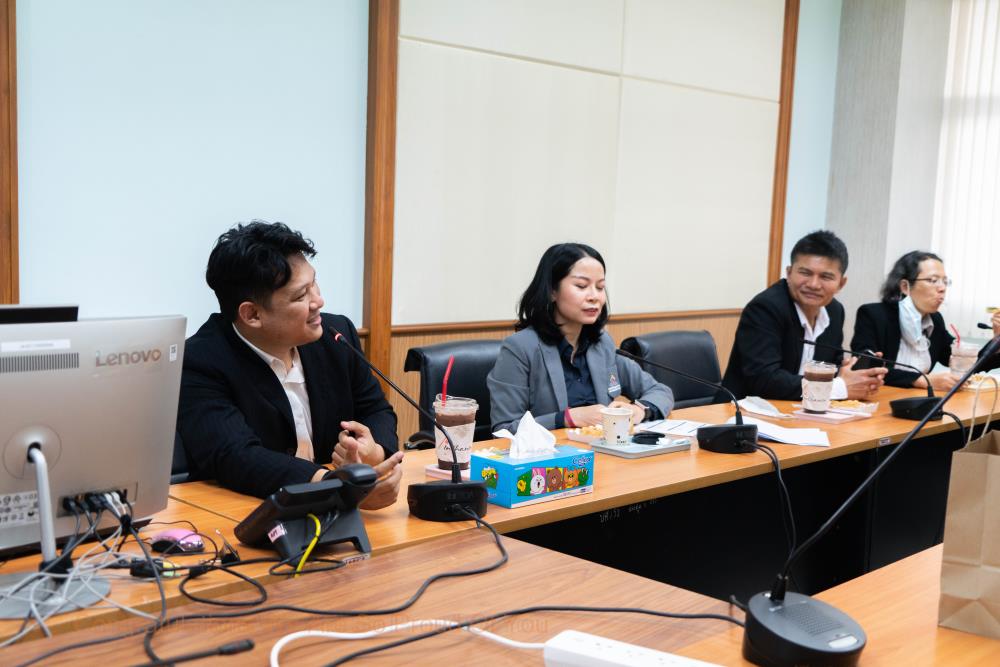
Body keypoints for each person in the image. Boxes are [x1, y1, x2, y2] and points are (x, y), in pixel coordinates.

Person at [177, 221, 403, 506]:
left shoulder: (336, 335)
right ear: (252, 315)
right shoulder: (201, 361)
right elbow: (237, 456)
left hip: (336, 515)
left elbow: (375, 409)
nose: (319, 301)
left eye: (314, 284)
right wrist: (338, 488)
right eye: (301, 295)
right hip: (245, 511)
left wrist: (373, 452)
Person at [488, 243, 673, 433]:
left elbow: (661, 392)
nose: (594, 296)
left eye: (600, 287)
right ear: (552, 291)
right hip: (552, 452)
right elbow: (504, 429)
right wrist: (567, 418)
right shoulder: (520, 348)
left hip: (603, 448)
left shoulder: (601, 344)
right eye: (581, 286)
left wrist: (639, 410)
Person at [721, 230, 887, 401]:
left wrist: (851, 375)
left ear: (841, 283)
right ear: (789, 273)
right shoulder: (766, 308)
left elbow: (831, 365)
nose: (814, 284)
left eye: (826, 277)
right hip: (743, 410)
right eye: (805, 273)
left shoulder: (834, 311)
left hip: (800, 410)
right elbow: (764, 380)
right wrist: (838, 387)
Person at [852, 251, 1000, 390]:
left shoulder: (935, 320)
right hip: (879, 399)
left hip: (918, 400)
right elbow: (864, 368)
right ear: (905, 287)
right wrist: (922, 380)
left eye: (945, 281)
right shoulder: (874, 315)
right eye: (933, 280)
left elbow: (968, 364)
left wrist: (997, 339)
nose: (942, 288)